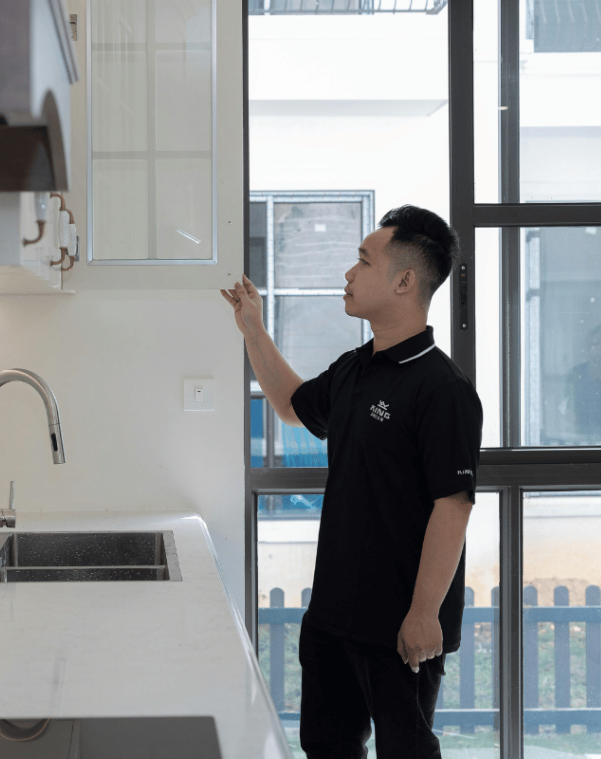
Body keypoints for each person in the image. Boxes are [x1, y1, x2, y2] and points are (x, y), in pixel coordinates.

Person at [221, 205, 482, 759]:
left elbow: (453, 507)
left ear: (404, 281)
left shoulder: (443, 389)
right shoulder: (354, 368)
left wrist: (423, 613)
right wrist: (253, 330)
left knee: (406, 752)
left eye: (363, 261)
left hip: (399, 626)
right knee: (327, 747)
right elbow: (292, 406)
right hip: (333, 615)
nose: (349, 272)